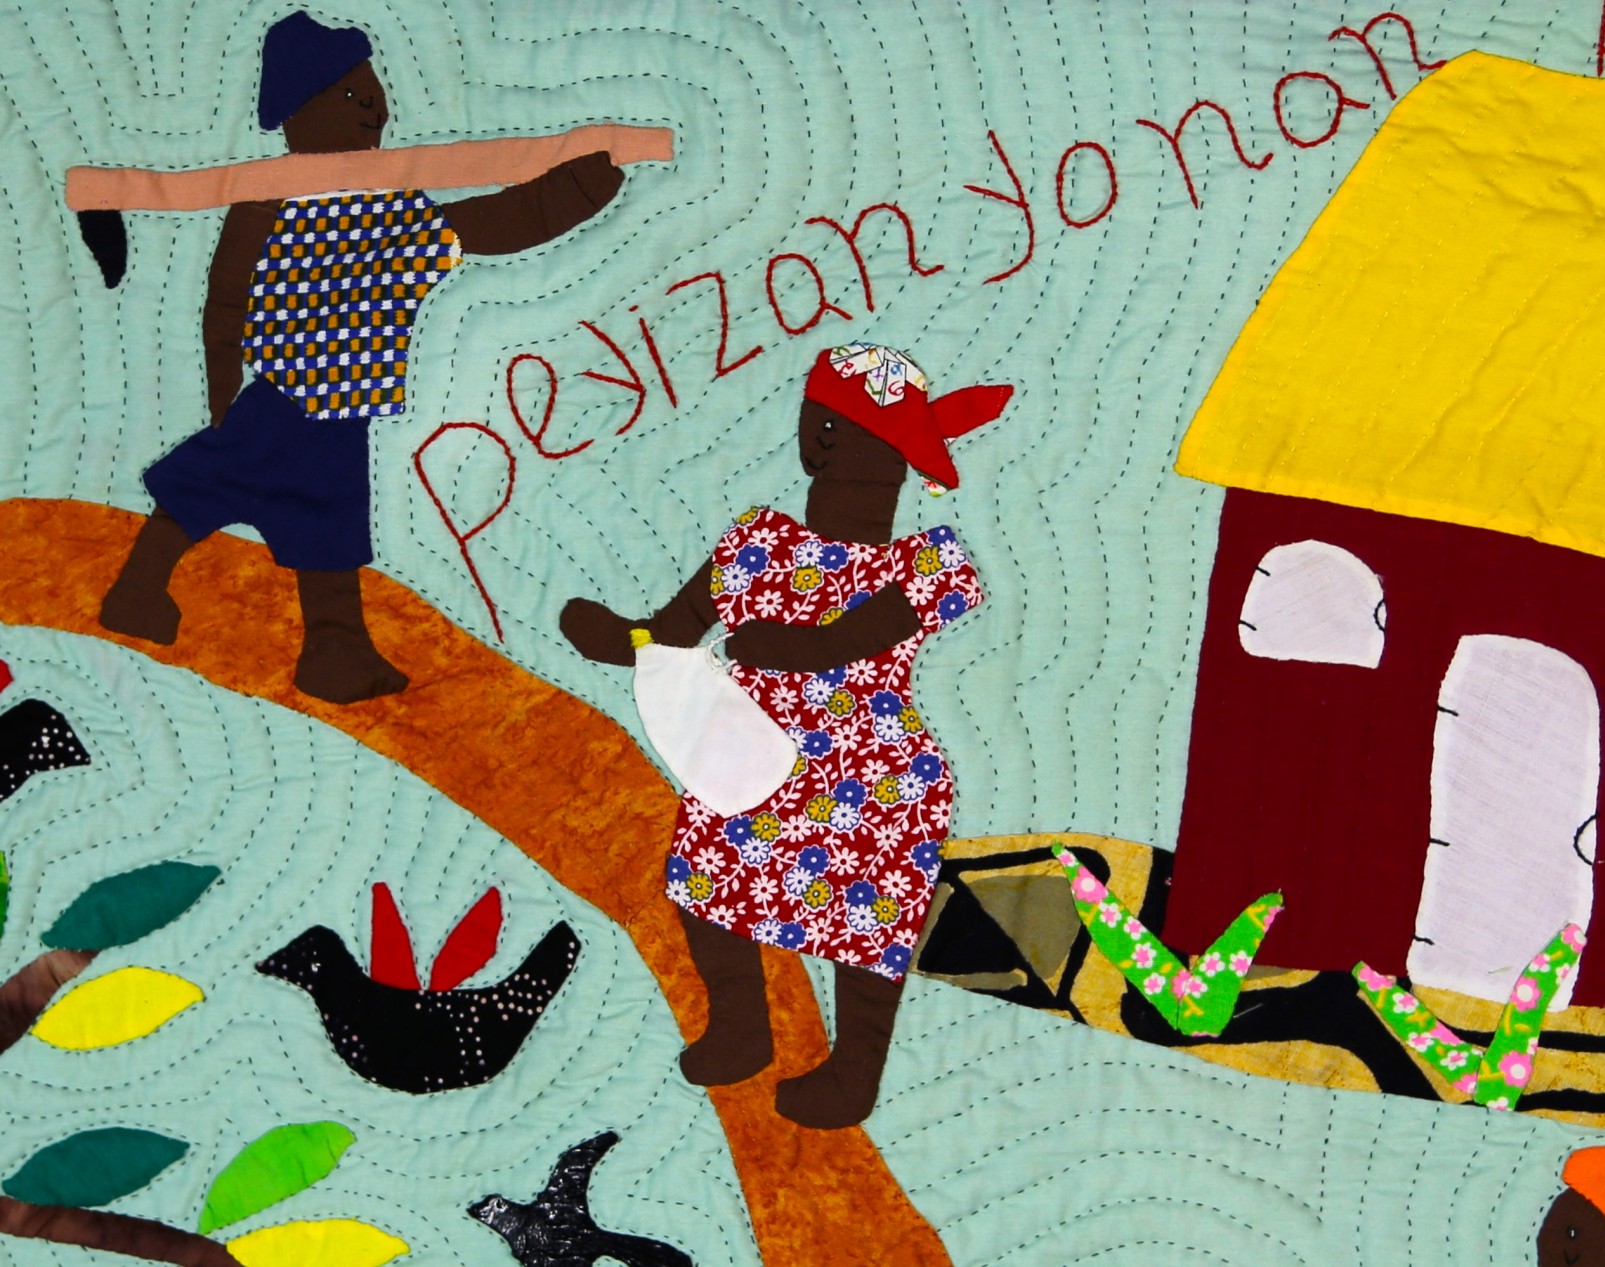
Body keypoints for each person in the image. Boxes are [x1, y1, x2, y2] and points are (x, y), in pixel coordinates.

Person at [99, 10, 627, 703]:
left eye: (371, 89)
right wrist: (221, 383)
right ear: (300, 111)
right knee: (264, 499)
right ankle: (180, 604)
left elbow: (489, 224)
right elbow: (227, 294)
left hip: (340, 401)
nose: (375, 104)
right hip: (290, 392)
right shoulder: (273, 198)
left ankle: (318, 646)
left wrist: (576, 190)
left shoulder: (392, 209)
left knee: (301, 511)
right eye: (353, 92)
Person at [562, 344, 1010, 1128]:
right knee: (706, 875)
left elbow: (854, 638)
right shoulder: (757, 544)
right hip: (753, 753)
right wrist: (621, 638)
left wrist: (788, 647)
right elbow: (670, 631)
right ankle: (741, 1026)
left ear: (819, 438)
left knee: (867, 917)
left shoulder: (920, 562)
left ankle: (855, 1071)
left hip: (873, 771)